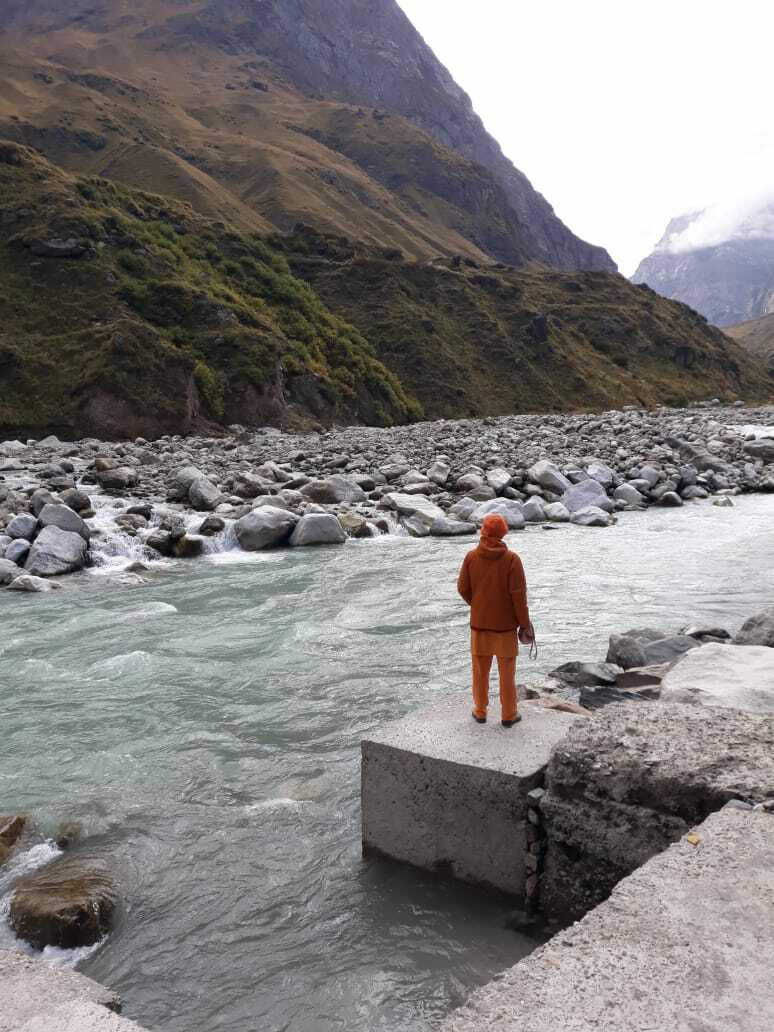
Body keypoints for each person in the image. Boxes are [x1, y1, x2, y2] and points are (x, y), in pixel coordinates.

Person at [456, 513, 533, 727]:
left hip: (480, 626)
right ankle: (509, 714)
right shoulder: (512, 560)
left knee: (480, 671)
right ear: (503, 533)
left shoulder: (471, 556)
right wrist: (524, 624)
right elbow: (519, 597)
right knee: (507, 673)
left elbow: (462, 588)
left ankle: (480, 711)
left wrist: (479, 605)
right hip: (505, 628)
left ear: (483, 532)